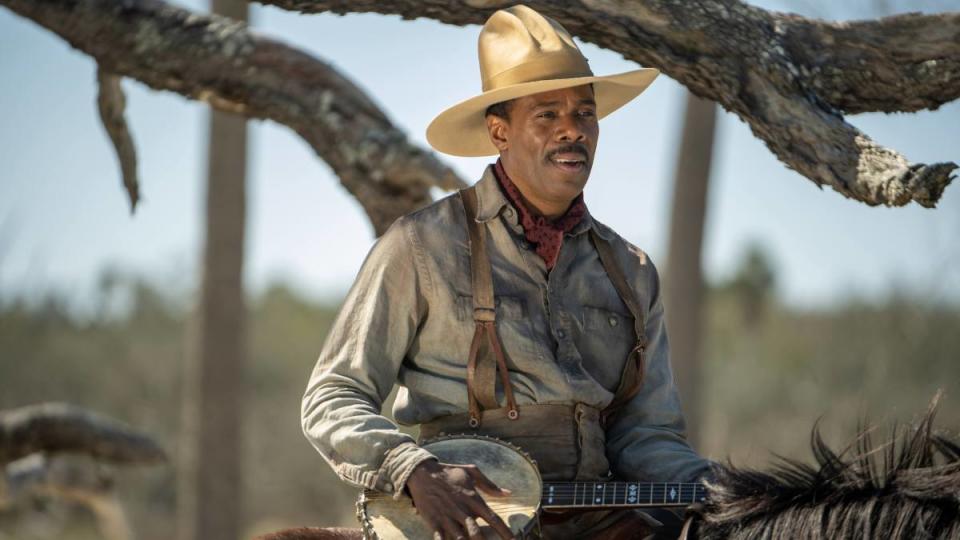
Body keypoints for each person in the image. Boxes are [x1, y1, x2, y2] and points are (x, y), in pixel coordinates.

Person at [302, 5, 714, 539]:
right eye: (547, 114)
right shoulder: (420, 245)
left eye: (584, 113)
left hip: (601, 522)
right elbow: (333, 394)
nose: (573, 130)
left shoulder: (630, 272)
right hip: (464, 524)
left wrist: (725, 488)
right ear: (499, 131)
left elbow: (647, 433)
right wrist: (413, 469)